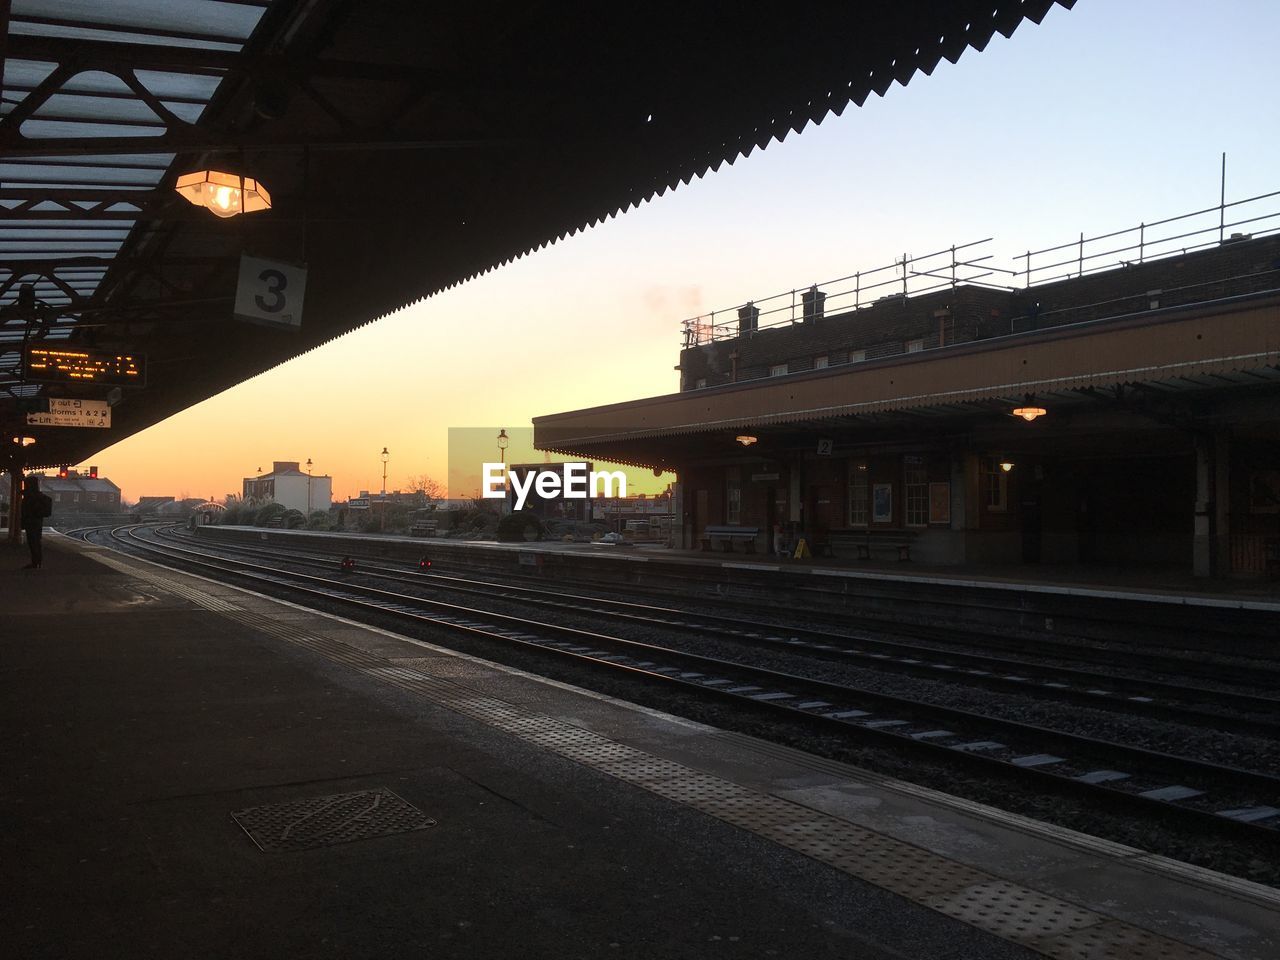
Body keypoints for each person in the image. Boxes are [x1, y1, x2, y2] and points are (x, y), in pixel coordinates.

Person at [20, 474, 52, 570]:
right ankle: (37, 562)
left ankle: (36, 563)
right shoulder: (38, 495)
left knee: (33, 542)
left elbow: (28, 508)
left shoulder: (31, 496)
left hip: (32, 522)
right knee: (36, 542)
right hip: (37, 522)